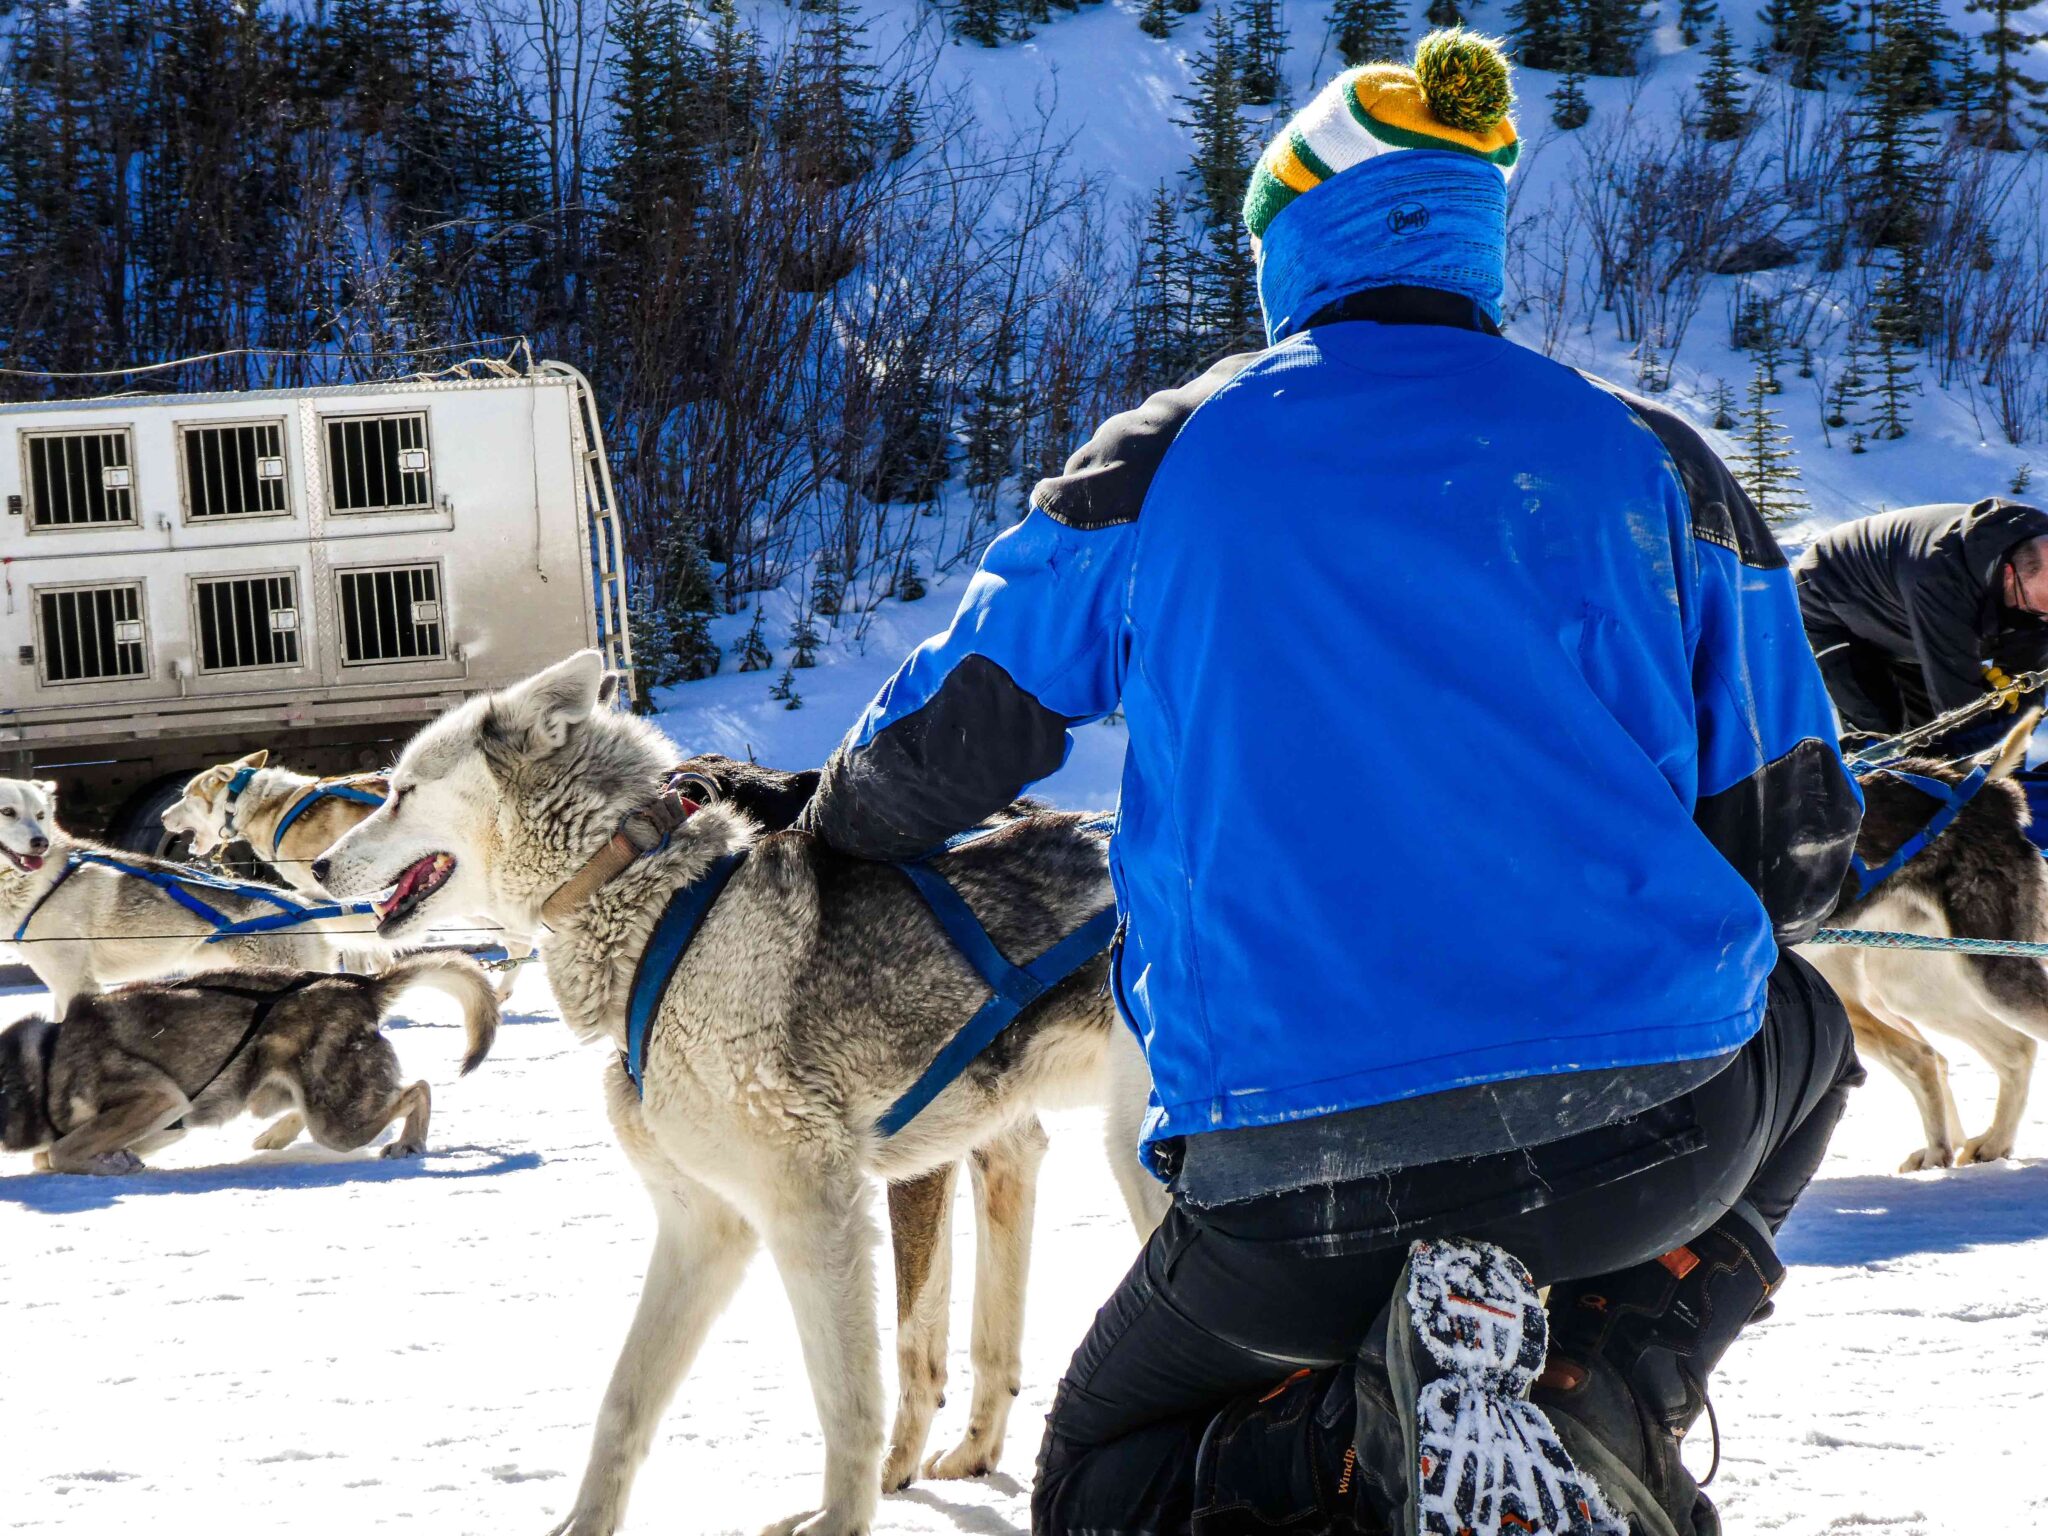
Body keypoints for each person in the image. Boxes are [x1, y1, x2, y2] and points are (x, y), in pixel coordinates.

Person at [798, 31, 1864, 1536]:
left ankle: (1363, 1441)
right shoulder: (1656, 461)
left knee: (1096, 1482)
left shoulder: (1166, 457)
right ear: (1473, 231)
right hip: (1646, 1142)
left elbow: (940, 750)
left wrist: (830, 822)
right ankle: (1606, 1383)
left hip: (1294, 1178)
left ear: (1293, 238)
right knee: (1804, 1024)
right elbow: (1795, 854)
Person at [1795, 499, 2048, 745]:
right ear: (2008, 575)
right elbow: (1959, 708)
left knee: (1932, 738)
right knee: (1886, 739)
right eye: (2037, 608)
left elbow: (2028, 678)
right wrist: (1986, 744)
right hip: (1831, 602)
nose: (2044, 619)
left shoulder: (2035, 576)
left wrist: (2014, 730)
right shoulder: (1942, 578)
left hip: (1905, 616)